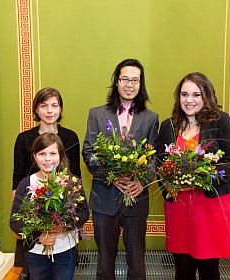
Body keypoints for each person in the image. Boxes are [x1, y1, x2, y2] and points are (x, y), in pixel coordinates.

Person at [157, 72, 230, 280]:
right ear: (178, 97)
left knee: (209, 270)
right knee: (182, 269)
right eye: (184, 94)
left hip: (209, 207)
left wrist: (203, 179)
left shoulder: (220, 121)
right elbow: (159, 164)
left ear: (206, 96)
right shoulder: (168, 126)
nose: (189, 100)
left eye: (196, 94)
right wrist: (168, 185)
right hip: (178, 208)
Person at [82, 58, 159, 280]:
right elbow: (89, 153)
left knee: (137, 265)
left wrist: (142, 182)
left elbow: (154, 158)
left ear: (140, 84)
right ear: (116, 81)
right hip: (104, 200)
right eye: (125, 78)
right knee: (105, 266)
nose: (129, 84)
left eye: (135, 80)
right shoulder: (97, 114)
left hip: (136, 200)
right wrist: (111, 177)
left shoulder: (151, 118)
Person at [12, 87, 81, 279]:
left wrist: (66, 219)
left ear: (60, 109)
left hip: (62, 209)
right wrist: (21, 211)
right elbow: (17, 178)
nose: (49, 111)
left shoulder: (71, 137)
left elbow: (75, 177)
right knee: (34, 269)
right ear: (36, 110)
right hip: (32, 207)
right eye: (44, 106)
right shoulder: (23, 139)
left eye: (54, 105)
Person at [10, 133, 89, 280]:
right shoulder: (26, 184)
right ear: (34, 156)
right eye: (42, 154)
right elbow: (14, 222)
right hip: (36, 254)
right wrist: (39, 237)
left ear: (60, 155)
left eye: (53, 153)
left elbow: (84, 212)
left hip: (66, 250)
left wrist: (65, 225)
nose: (47, 159)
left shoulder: (71, 182)